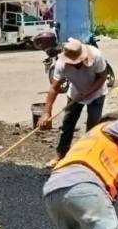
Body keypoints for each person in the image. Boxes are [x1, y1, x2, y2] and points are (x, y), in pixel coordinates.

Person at [39, 38, 109, 168]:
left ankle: (89, 157)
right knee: (68, 124)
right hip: (75, 93)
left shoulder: (96, 56)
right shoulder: (61, 64)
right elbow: (54, 87)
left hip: (97, 94)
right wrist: (46, 112)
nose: (74, 65)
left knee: (93, 126)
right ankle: (61, 155)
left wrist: (88, 92)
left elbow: (102, 77)